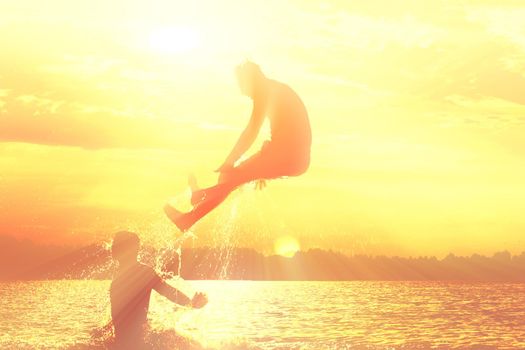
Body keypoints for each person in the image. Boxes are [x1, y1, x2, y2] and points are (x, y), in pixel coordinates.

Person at [165, 61, 311, 231]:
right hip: (290, 157)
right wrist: (262, 168)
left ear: (250, 80)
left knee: (230, 175)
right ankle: (199, 200)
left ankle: (190, 216)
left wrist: (229, 161)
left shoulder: (264, 91)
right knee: (229, 178)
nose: (243, 92)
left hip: (287, 156)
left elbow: (252, 130)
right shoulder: (274, 89)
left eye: (242, 85)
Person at [109, 231, 207, 349]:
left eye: (116, 245)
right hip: (128, 343)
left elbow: (167, 291)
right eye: (114, 244)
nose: (112, 248)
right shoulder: (126, 275)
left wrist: (191, 303)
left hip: (131, 343)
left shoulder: (140, 273)